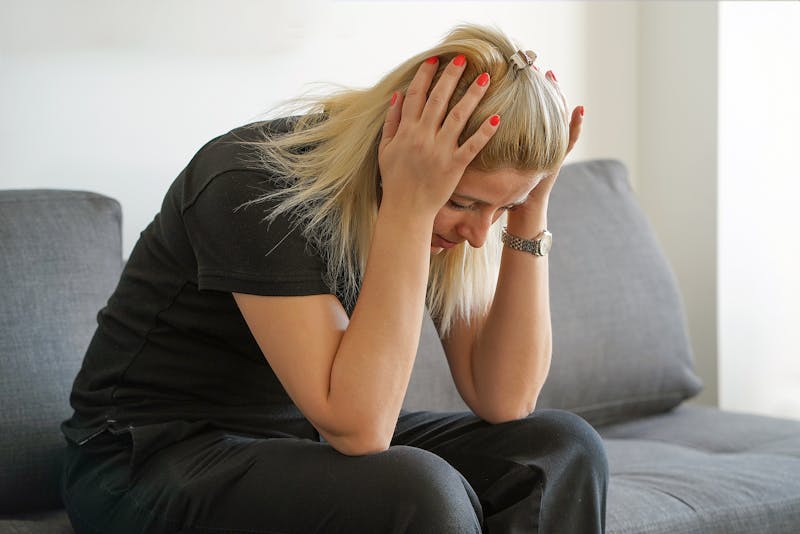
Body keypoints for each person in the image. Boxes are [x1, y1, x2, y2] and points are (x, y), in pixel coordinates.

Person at [60, 24, 608, 533]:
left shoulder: (440, 212)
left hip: (298, 437)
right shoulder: (254, 182)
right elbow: (360, 427)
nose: (479, 236)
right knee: (417, 490)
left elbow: (504, 398)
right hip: (146, 459)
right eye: (464, 203)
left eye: (501, 208)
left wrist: (530, 209)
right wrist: (410, 208)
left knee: (560, 448)